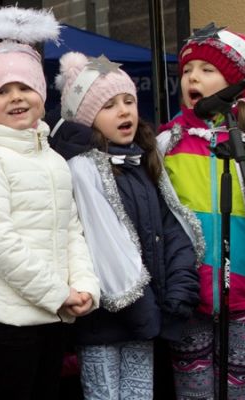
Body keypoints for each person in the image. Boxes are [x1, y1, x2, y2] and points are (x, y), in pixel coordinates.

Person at [0, 7, 101, 399]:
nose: (15, 98)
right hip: (8, 321)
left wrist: (83, 284)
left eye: (24, 88)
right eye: (2, 91)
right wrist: (58, 293)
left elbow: (72, 229)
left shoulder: (53, 159)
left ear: (41, 94)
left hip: (53, 315)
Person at [55, 51, 201, 399]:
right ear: (86, 118)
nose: (124, 111)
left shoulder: (143, 162)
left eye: (129, 101)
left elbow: (171, 227)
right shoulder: (81, 170)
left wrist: (179, 288)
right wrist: (146, 308)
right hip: (104, 321)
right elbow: (101, 243)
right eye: (109, 106)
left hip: (145, 317)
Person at [157, 23, 245, 399]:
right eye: (186, 71)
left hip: (244, 286)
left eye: (206, 70)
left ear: (235, 85)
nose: (191, 78)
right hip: (190, 289)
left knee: (236, 386)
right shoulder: (168, 142)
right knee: (193, 389)